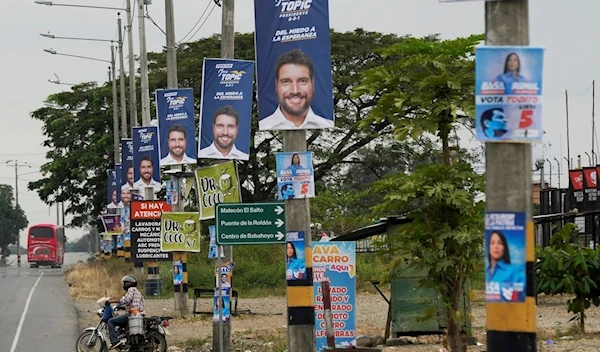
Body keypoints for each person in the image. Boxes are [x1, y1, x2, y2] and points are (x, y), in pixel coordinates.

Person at [259, 49, 334, 130]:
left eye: (302, 81)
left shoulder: (326, 124)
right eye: (286, 82)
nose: (295, 91)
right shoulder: (265, 125)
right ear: (276, 85)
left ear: (313, 83)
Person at [107, 275, 145, 350]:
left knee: (110, 321)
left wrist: (112, 301)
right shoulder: (137, 291)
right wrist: (121, 306)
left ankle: (114, 341)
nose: (124, 285)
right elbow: (131, 303)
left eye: (125, 283)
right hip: (139, 314)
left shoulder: (131, 289)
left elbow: (126, 300)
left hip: (133, 315)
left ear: (129, 283)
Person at [487, 230, 525, 302]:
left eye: (500, 243)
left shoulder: (515, 272)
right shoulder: (486, 272)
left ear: (504, 247)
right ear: (488, 247)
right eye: (492, 243)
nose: (496, 246)